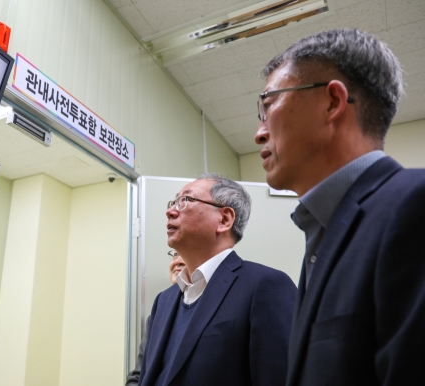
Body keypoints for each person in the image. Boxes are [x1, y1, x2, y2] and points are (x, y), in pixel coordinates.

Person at [253, 28, 425, 385]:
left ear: (332, 102)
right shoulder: (324, 231)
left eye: (268, 105)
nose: (259, 132)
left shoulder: (413, 206)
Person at [139, 173, 296, 386]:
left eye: (185, 201)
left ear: (224, 220)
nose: (170, 211)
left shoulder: (265, 285)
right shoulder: (163, 301)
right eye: (173, 202)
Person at [125, 250, 185, 385]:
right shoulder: (157, 315)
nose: (177, 262)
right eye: (175, 255)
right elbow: (137, 376)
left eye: (184, 253)